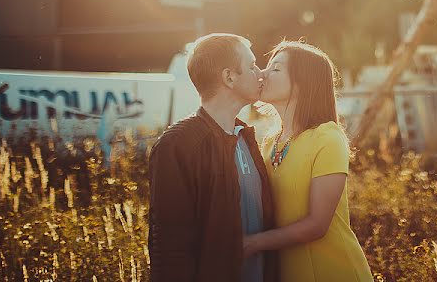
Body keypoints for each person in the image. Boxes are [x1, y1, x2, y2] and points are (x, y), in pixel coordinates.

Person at [148, 33, 279, 282]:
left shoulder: (246, 138)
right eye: (251, 66)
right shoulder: (177, 144)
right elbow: (169, 246)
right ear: (229, 77)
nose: (261, 73)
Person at [244, 40, 373, 282]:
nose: (262, 73)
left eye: (276, 69)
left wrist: (252, 243)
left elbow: (317, 224)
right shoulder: (269, 142)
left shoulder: (327, 137)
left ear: (303, 83)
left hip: (333, 272)